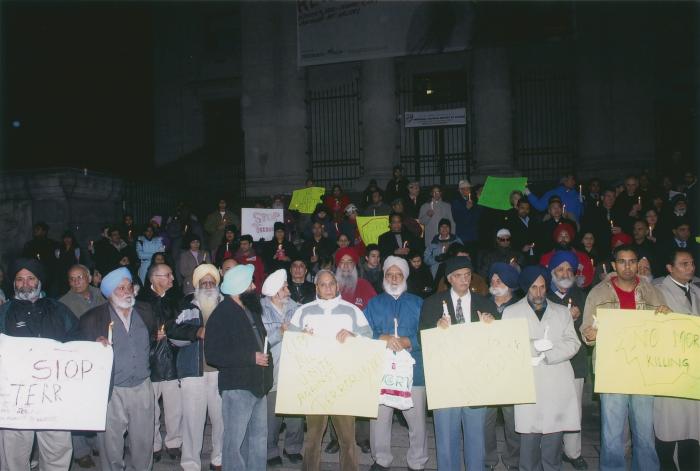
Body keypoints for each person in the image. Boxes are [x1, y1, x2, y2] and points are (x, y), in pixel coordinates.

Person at [580, 244, 669, 471]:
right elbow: (586, 330)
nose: (628, 266)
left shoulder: (652, 291)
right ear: (613, 265)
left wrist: (665, 316)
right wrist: (590, 334)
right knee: (612, 435)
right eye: (622, 261)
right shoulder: (598, 292)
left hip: (643, 373)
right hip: (613, 372)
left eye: (632, 261)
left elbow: (664, 330)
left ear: (638, 263)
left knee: (645, 434)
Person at [288, 269, 373, 471]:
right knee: (313, 438)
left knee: (347, 439)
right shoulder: (304, 311)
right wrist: (301, 336)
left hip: (343, 383)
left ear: (337, 285)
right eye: (323, 284)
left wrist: (353, 335)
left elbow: (368, 338)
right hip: (314, 383)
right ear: (316, 287)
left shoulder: (352, 310)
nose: (328, 288)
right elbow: (290, 341)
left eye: (331, 284)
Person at [419, 256, 498, 470]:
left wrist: (491, 326)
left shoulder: (485, 304)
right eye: (459, 276)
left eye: (467, 275)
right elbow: (423, 340)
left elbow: (498, 343)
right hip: (446, 381)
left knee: (476, 438)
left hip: (476, 380)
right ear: (449, 279)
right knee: (445, 439)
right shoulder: (432, 304)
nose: (464, 280)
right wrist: (436, 329)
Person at [0, 258, 79, 470]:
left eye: (30, 278)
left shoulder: (58, 308)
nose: (25, 284)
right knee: (14, 452)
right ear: (14, 283)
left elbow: (78, 340)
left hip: (54, 393)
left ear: (40, 281)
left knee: (57, 448)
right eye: (19, 279)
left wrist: (97, 344)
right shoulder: (4, 312)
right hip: (15, 396)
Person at [502, 266, 581, 471]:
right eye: (533, 287)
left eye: (542, 287)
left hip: (556, 379)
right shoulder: (511, 312)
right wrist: (533, 347)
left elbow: (573, 342)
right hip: (529, 381)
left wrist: (549, 353)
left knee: (554, 438)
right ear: (526, 288)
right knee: (529, 438)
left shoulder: (562, 312)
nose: (538, 292)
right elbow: (506, 345)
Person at [80, 267, 157, 471]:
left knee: (143, 444)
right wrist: (94, 346)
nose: (126, 291)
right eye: (120, 288)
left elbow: (153, 340)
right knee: (110, 447)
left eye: (129, 286)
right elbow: (79, 354)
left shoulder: (145, 311)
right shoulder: (92, 319)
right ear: (109, 293)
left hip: (142, 387)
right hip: (111, 390)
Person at [204, 264, 273, 471]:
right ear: (239, 288)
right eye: (250, 283)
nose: (254, 286)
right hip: (237, 388)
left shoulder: (249, 309)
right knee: (234, 443)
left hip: (258, 385)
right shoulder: (221, 314)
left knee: (258, 440)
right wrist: (251, 357)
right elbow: (213, 355)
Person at [364, 256, 429, 471]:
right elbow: (363, 333)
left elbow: (428, 334)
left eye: (398, 274)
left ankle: (417, 460)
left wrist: (409, 340)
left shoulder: (418, 303)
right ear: (384, 277)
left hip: (413, 371)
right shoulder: (374, 303)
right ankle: (381, 459)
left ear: (404, 277)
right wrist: (380, 338)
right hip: (382, 369)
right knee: (380, 420)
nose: (393, 278)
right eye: (389, 274)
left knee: (416, 420)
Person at [167, 264, 224, 471]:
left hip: (221, 372)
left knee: (221, 419)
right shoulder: (186, 305)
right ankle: (191, 463)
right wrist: (196, 332)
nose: (208, 285)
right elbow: (172, 331)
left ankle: (219, 458)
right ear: (197, 285)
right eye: (204, 282)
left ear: (217, 284)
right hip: (193, 371)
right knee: (192, 420)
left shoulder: (226, 305)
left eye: (211, 282)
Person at [653, 249, 700, 471]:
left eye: (691, 263)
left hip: (693, 371)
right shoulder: (658, 292)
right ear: (669, 268)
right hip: (670, 369)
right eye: (683, 264)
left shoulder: (698, 292)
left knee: (692, 427)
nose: (690, 267)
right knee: (668, 425)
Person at [545, 251, 589, 470]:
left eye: (569, 269)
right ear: (552, 272)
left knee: (574, 410)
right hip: (551, 360)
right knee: (551, 407)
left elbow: (591, 327)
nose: (565, 273)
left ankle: (573, 452)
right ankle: (551, 451)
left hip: (575, 361)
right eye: (560, 269)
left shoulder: (581, 295)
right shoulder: (542, 294)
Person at [59, 264, 106, 467]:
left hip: (102, 357)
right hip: (79, 360)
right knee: (78, 405)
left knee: (99, 402)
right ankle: (80, 451)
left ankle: (97, 441)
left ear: (89, 277)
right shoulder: (63, 303)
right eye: (72, 279)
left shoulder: (102, 294)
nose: (76, 282)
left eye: (80, 277)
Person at [139, 261, 184, 462]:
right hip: (149, 364)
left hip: (173, 361)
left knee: (175, 407)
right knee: (151, 409)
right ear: (155, 279)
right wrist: (151, 336)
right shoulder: (140, 302)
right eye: (168, 275)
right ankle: (154, 444)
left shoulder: (176, 300)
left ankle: (174, 442)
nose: (173, 278)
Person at [259, 269, 304, 466]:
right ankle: (270, 451)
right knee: (272, 417)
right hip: (272, 371)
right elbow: (260, 341)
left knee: (295, 416)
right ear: (274, 292)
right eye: (284, 287)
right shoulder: (259, 310)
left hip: (295, 371)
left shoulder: (298, 308)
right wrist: (280, 332)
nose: (288, 290)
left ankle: (293, 448)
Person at [484, 262, 521, 470]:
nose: (495, 282)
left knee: (512, 420)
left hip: (511, 372)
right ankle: (488, 460)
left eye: (500, 279)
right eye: (493, 279)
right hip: (487, 372)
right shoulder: (481, 304)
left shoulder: (521, 307)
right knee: (486, 420)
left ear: (510, 283)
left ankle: (513, 460)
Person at [451, 179, 482, 260]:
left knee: (474, 259)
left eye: (469, 188)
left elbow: (478, 216)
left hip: (474, 236)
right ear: (461, 190)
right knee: (464, 260)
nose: (468, 190)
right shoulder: (456, 202)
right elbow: (458, 219)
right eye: (466, 188)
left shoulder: (472, 200)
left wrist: (479, 200)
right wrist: (467, 209)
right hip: (463, 237)